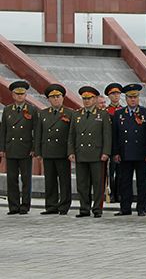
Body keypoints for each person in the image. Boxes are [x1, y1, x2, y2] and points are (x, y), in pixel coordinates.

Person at [68, 86, 111, 218]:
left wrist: (106, 152)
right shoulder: (77, 114)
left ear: (95, 99)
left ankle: (97, 208)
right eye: (84, 98)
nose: (86, 101)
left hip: (97, 154)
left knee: (98, 184)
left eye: (89, 98)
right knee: (82, 183)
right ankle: (84, 208)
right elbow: (72, 136)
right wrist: (71, 152)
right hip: (81, 153)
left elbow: (107, 136)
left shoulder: (102, 114)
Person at [112, 84, 146, 216]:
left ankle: (142, 208)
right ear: (126, 98)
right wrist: (116, 152)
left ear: (138, 98)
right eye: (130, 97)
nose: (133, 100)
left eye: (135, 97)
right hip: (125, 153)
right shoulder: (119, 114)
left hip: (141, 154)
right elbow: (115, 135)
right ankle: (125, 208)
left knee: (142, 182)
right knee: (124, 182)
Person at [0, 81, 38, 215]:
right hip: (11, 148)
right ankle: (13, 206)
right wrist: (2, 149)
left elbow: (36, 131)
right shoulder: (8, 110)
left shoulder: (32, 110)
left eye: (22, 94)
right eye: (17, 94)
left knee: (26, 178)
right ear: (13, 94)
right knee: (11, 178)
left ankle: (25, 205)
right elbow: (3, 130)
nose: (20, 96)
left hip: (26, 148)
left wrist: (34, 148)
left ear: (26, 94)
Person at [35, 84, 74, 215]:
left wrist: (70, 151)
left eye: (58, 96)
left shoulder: (70, 113)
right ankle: (51, 206)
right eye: (53, 97)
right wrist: (38, 151)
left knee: (64, 181)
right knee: (50, 181)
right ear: (48, 99)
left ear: (63, 98)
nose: (56, 99)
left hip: (62, 152)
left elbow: (72, 135)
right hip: (48, 151)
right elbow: (39, 134)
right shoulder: (43, 113)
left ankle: (64, 206)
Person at [104, 83, 123, 203]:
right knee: (110, 172)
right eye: (113, 94)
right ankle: (110, 193)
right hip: (109, 146)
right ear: (109, 96)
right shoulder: (105, 112)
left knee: (121, 172)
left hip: (121, 147)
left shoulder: (124, 110)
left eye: (117, 94)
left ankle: (120, 193)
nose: (115, 96)